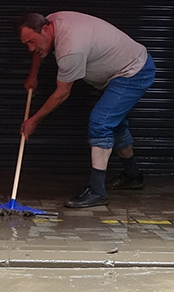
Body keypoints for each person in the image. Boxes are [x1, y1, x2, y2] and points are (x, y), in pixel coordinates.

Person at [16, 11, 156, 208]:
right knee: (115, 126)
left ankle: (97, 191)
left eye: (32, 41)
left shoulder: (70, 48)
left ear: (46, 29)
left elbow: (62, 93)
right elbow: (40, 48)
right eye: (27, 43)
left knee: (101, 122)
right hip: (121, 71)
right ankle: (133, 176)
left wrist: (34, 120)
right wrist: (33, 75)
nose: (31, 48)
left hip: (133, 71)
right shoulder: (50, 22)